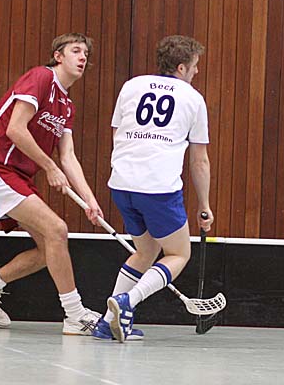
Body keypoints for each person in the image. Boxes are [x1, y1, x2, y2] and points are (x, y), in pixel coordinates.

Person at [0, 33, 103, 335]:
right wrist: (49, 167)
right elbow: (15, 129)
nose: (82, 57)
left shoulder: (67, 106)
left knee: (49, 248)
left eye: (86, 54)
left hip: (17, 174)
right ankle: (75, 315)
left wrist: (90, 200)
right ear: (58, 56)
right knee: (57, 230)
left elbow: (68, 156)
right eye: (75, 51)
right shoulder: (41, 77)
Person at [92, 35, 214, 342]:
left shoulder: (132, 86)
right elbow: (199, 160)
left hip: (121, 183)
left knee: (146, 251)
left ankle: (107, 323)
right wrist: (204, 205)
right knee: (179, 253)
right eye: (195, 66)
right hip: (158, 187)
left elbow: (118, 133)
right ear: (182, 67)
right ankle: (128, 302)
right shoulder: (193, 99)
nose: (197, 71)